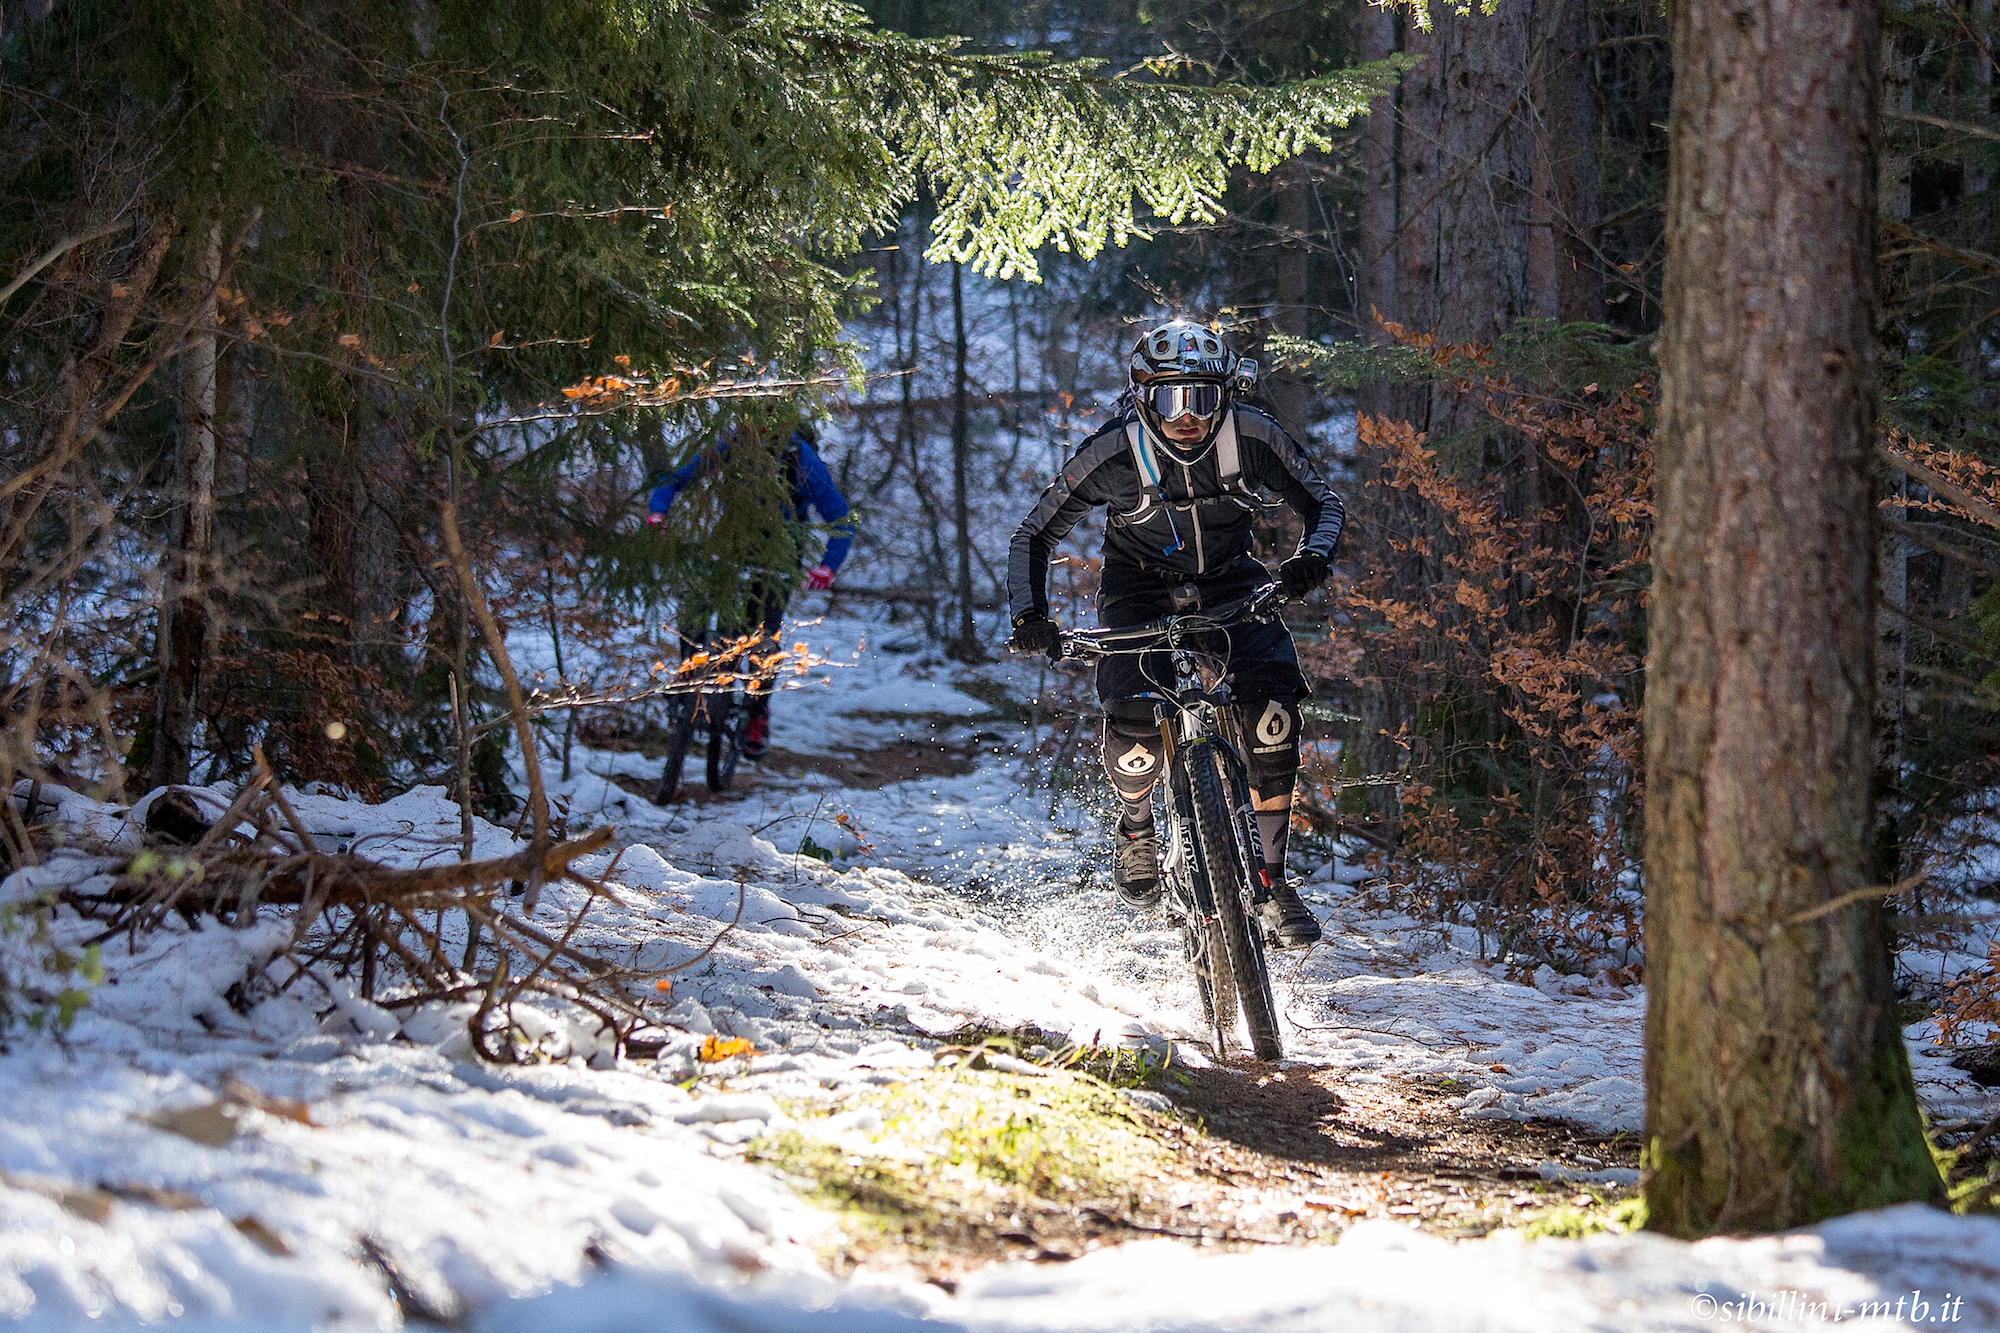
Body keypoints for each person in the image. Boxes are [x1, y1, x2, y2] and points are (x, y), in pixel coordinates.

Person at [1006, 320, 1343, 948]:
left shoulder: (1252, 437)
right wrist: (1030, 618)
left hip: (1231, 579)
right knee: (1135, 719)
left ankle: (1272, 880)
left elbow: (1324, 503)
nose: (1186, 417)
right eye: (1169, 399)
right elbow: (1035, 534)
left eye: (1202, 398)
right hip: (1138, 585)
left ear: (1228, 395)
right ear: (1142, 398)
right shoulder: (1113, 453)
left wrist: (1309, 560)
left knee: (1272, 716)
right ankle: (1137, 825)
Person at [647, 420, 854, 758]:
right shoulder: (732, 445)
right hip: (731, 542)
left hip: (780, 552)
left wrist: (828, 566)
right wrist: (658, 512)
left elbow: (840, 516)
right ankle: (687, 678)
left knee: (764, 635)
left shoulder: (800, 458)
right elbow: (680, 477)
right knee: (693, 608)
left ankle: (757, 712)